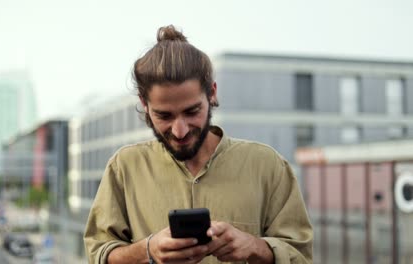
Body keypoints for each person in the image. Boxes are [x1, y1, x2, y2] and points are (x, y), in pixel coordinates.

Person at [84, 25, 313, 264]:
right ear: (144, 104)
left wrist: (257, 247)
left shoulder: (268, 166)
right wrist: (148, 250)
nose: (179, 131)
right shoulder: (124, 167)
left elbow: (302, 257)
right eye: (164, 115)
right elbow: (98, 255)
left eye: (192, 111)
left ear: (212, 93)